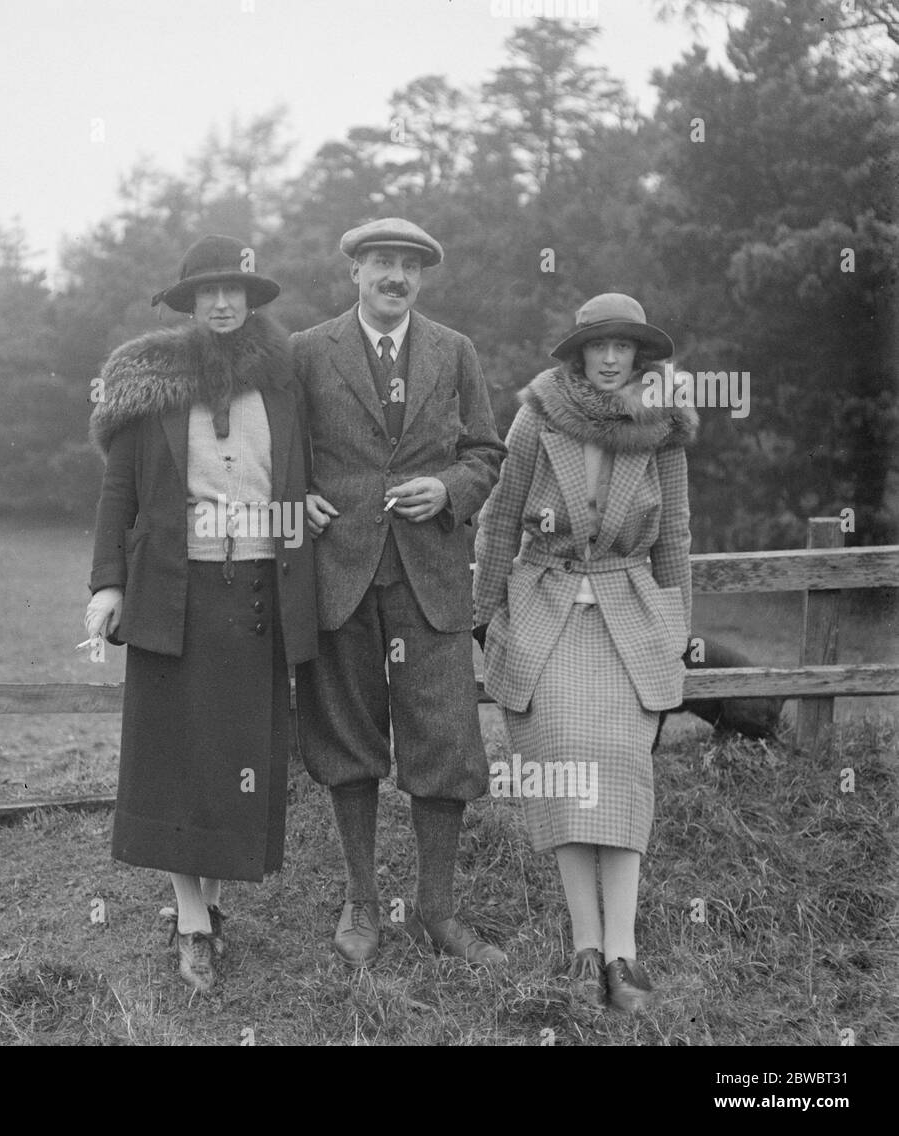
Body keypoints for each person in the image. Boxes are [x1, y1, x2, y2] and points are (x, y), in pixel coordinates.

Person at [85, 235, 317, 994]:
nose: (222, 304)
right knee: (176, 763)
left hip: (256, 595)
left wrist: (299, 513)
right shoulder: (149, 381)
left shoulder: (282, 381)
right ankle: (191, 921)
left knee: (233, 765)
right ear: (186, 305)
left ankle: (210, 905)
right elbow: (119, 494)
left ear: (251, 300)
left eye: (235, 291)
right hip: (171, 596)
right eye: (207, 293)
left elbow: (298, 478)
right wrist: (106, 584)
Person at [472, 292, 697, 1012]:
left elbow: (676, 536)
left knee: (624, 769)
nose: (609, 358)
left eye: (623, 347)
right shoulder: (539, 417)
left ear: (641, 357)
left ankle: (624, 956)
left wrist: (676, 627)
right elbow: (501, 517)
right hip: (549, 612)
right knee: (567, 769)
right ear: (576, 355)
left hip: (632, 621)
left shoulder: (662, 429)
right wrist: (485, 615)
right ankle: (584, 947)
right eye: (597, 346)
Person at [292, 218, 507, 968]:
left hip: (431, 580)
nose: (396, 277)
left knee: (444, 739)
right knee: (348, 739)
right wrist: (299, 498)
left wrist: (446, 487)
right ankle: (360, 903)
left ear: (422, 279)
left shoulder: (455, 352)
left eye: (409, 267)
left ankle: (438, 911)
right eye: (381, 263)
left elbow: (488, 453)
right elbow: (284, 451)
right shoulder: (307, 352)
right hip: (340, 574)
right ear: (353, 271)